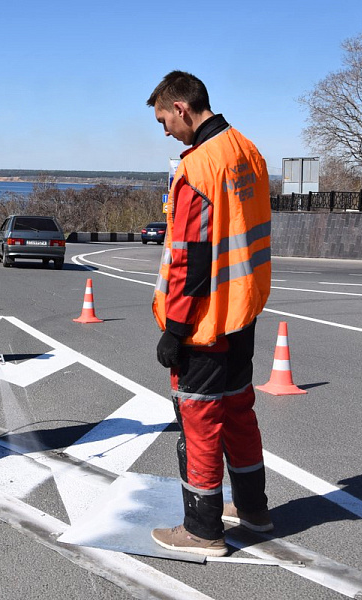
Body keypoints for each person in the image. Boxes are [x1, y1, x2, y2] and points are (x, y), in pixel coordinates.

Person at [146, 71, 273, 556]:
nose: (164, 131)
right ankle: (253, 508)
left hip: (204, 322)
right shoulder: (248, 151)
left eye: (163, 119)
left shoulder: (198, 167)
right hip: (244, 312)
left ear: (181, 107)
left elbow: (190, 258)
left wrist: (174, 329)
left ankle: (202, 529)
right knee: (240, 411)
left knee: (199, 419)